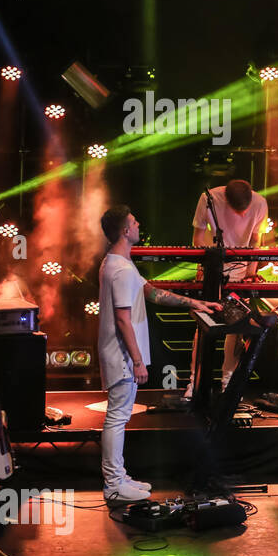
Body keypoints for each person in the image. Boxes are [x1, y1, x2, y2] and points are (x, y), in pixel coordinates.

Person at [98, 205, 220, 503]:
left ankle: (119, 475)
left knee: (119, 417)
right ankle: (113, 483)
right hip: (123, 356)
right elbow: (123, 319)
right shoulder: (121, 270)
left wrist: (197, 303)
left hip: (120, 353)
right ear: (125, 231)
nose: (140, 225)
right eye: (135, 222)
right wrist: (138, 361)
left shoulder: (116, 263)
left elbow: (153, 293)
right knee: (117, 418)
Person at [185, 178, 269, 398]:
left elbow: (255, 241)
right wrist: (204, 267)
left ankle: (228, 383)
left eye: (245, 210)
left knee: (237, 327)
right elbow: (198, 237)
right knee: (204, 325)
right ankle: (194, 383)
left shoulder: (260, 203)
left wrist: (251, 272)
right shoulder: (209, 198)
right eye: (237, 210)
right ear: (228, 200)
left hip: (241, 269)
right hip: (213, 268)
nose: (242, 215)